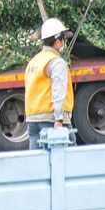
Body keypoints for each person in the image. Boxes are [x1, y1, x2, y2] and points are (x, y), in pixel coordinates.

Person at [24, 17, 74, 150]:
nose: (64, 44)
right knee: (69, 162)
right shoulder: (56, 62)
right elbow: (58, 90)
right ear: (57, 42)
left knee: (38, 164)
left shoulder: (33, 62)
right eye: (63, 40)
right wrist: (59, 119)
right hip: (51, 121)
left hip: (32, 121)